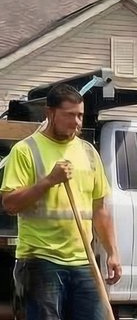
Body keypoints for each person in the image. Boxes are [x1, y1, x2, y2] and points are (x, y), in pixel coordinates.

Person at [1, 84, 122, 320]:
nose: (76, 122)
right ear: (50, 113)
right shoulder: (26, 150)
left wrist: (112, 253)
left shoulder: (88, 152)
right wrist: (48, 181)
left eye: (80, 115)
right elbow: (10, 204)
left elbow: (100, 209)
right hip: (40, 261)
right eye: (69, 115)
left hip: (83, 261)